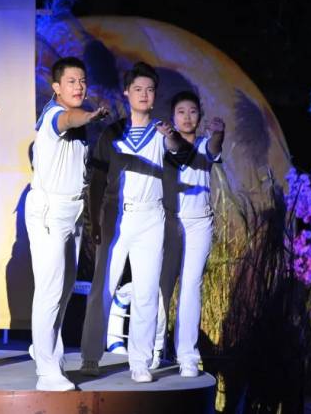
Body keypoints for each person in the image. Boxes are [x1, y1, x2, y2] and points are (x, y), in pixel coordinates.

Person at [80, 62, 191, 383]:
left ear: (155, 96)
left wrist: (172, 138)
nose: (144, 95)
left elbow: (180, 153)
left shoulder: (162, 131)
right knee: (103, 287)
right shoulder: (112, 132)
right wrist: (94, 221)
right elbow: (97, 178)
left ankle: (139, 360)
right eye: (138, 89)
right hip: (116, 216)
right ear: (126, 93)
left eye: (150, 90)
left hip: (151, 218)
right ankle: (90, 356)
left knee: (146, 291)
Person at [26, 56, 108, 391]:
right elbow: (68, 119)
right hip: (50, 211)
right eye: (71, 81)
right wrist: (88, 115)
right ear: (56, 87)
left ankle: (44, 348)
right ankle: (46, 371)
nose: (79, 86)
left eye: (82, 81)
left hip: (72, 212)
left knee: (63, 288)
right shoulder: (54, 116)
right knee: (50, 289)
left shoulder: (78, 124)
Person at [154, 90, 224, 377]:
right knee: (162, 286)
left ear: (200, 116)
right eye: (181, 112)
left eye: (192, 111)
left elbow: (215, 148)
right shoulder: (165, 142)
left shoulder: (205, 144)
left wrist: (219, 133)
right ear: (173, 116)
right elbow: (173, 146)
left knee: (191, 287)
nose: (187, 117)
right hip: (170, 222)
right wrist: (169, 135)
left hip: (200, 224)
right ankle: (155, 348)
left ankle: (187, 356)